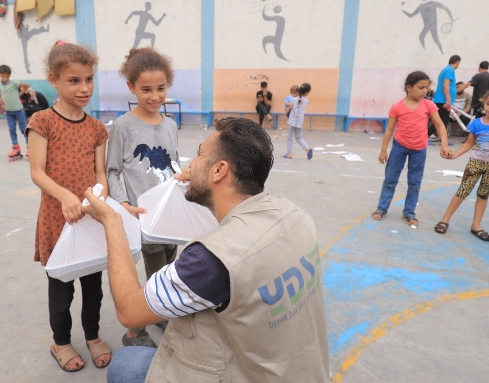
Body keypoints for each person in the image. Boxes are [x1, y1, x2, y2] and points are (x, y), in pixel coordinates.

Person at [85, 117, 330, 382]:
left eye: (200, 155)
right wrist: (202, 187)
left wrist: (113, 221)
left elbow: (129, 310)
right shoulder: (297, 215)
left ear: (219, 170)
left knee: (125, 365)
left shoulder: (209, 262)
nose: (191, 164)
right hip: (301, 370)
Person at [25, 40, 112, 372]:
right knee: (61, 291)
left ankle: (92, 335)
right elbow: (37, 171)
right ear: (54, 80)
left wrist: (98, 197)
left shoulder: (97, 129)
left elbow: (100, 173)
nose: (84, 87)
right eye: (74, 80)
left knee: (93, 288)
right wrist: (65, 195)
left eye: (89, 79)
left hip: (89, 220)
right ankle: (60, 341)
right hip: (57, 219)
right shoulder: (42, 122)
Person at [106, 47, 179, 348]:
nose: (154, 96)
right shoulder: (123, 126)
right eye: (146, 89)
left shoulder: (171, 124)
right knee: (157, 274)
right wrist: (124, 205)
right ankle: (138, 329)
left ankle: (160, 313)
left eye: (160, 88)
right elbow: (112, 171)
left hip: (172, 216)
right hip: (146, 217)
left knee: (171, 266)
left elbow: (174, 165)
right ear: (131, 87)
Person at [434, 86, 489, 240]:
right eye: (488, 103)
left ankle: (476, 225)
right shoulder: (477, 123)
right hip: (476, 163)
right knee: (463, 190)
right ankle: (445, 219)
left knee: (483, 194)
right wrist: (455, 155)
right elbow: (469, 144)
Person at [373, 71, 452, 226]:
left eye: (426, 87)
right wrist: (383, 150)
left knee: (414, 182)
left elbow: (439, 125)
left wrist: (444, 144)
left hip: (419, 150)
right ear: (408, 87)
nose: (425, 91)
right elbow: (389, 130)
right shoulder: (397, 107)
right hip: (399, 148)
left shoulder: (429, 105)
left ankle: (409, 213)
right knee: (390, 179)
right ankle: (381, 208)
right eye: (421, 87)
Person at [0, 65, 30, 159]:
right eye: (3, 76)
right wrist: (0, 101)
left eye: (7, 76)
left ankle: (30, 148)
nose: (5, 78)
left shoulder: (14, 83)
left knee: (24, 129)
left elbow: (26, 85)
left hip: (19, 111)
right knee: (12, 130)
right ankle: (16, 148)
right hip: (9, 112)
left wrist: (20, 93)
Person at [429, 55, 461, 141]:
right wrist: (448, 100)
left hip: (441, 100)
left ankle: (442, 139)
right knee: (442, 121)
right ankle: (426, 135)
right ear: (457, 62)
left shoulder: (445, 70)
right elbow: (446, 85)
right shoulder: (449, 70)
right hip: (442, 100)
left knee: (442, 121)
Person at [284, 83, 313, 160]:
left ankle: (289, 153)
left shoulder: (293, 100)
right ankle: (307, 149)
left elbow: (287, 105)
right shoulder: (306, 101)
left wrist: (287, 104)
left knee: (289, 137)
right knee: (299, 137)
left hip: (292, 122)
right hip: (299, 122)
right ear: (307, 92)